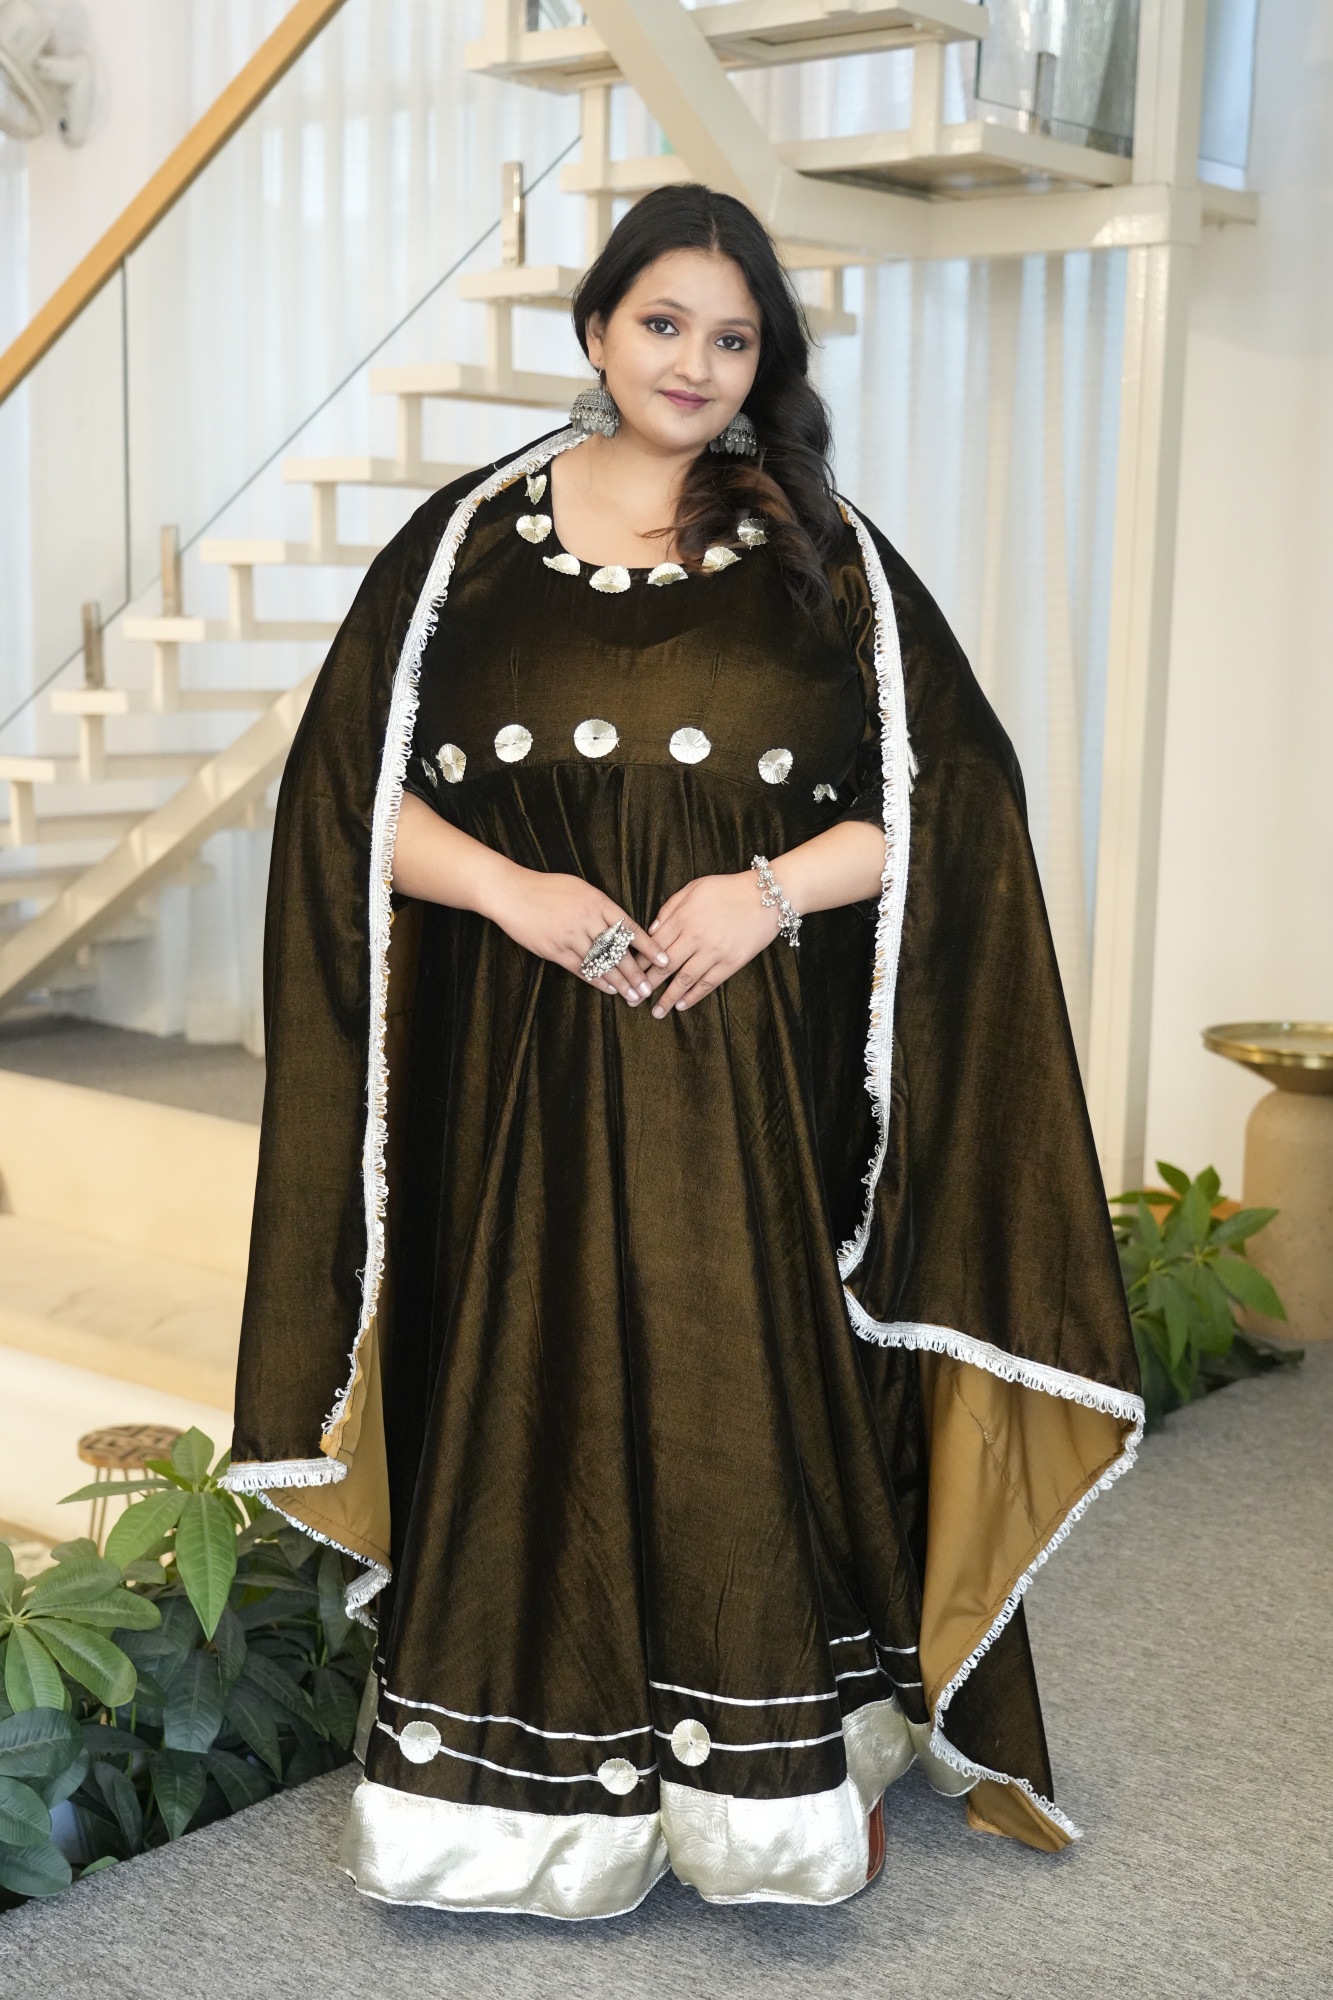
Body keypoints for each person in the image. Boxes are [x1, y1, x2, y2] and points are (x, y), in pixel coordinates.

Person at [221, 184, 1143, 1919]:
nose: (696, 365)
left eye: (734, 339)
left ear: (763, 360)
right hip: (513, 1101)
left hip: (742, 1104)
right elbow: (346, 810)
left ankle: (778, 1789)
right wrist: (511, 890)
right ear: (594, 329)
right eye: (663, 325)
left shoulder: (827, 556)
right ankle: (510, 1810)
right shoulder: (461, 553)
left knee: (744, 1392)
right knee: (531, 1377)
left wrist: (766, 892)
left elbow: (953, 812)